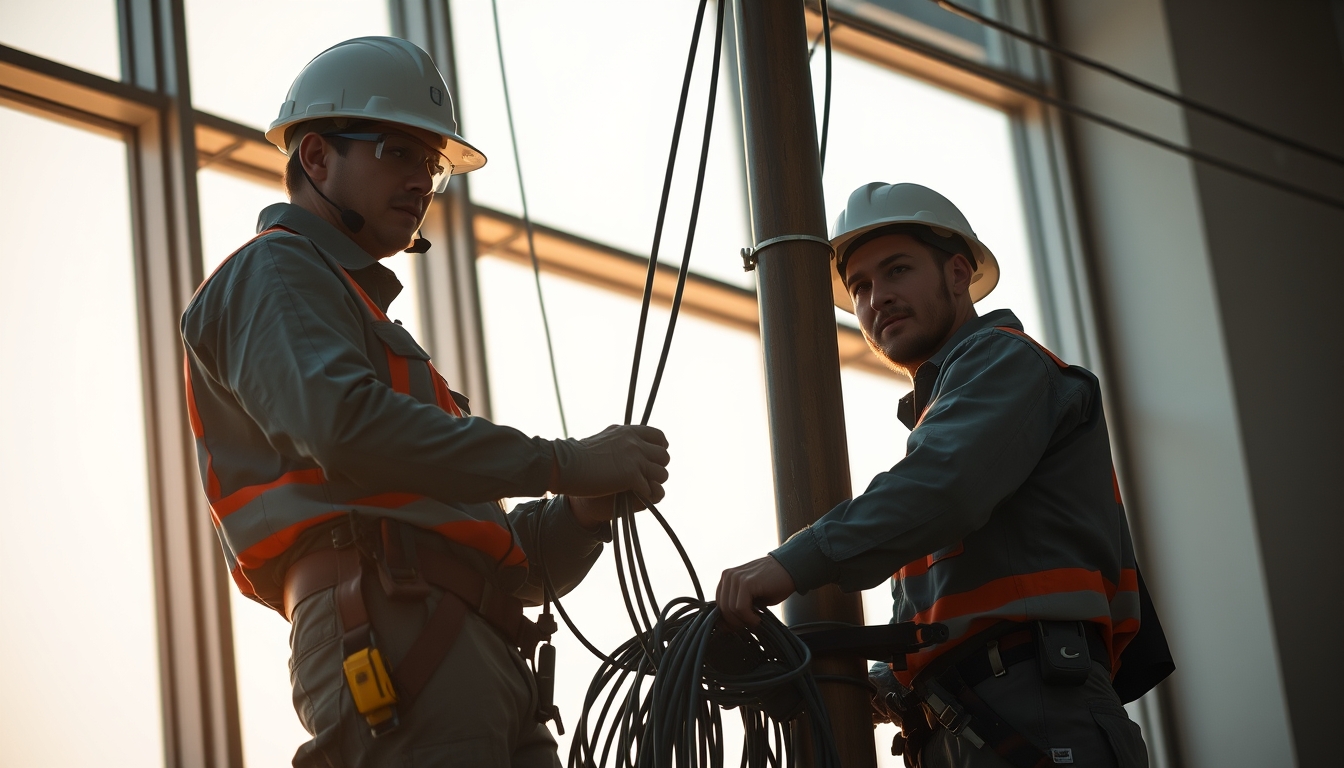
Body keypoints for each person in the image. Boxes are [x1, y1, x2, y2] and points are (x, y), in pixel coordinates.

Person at [181, 37, 670, 767]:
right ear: (316, 157)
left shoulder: (356, 316)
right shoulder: (274, 269)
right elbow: (346, 430)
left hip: (463, 647)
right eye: (398, 152)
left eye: (432, 164)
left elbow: (502, 560)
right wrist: (565, 463)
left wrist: (580, 512)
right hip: (398, 628)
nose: (422, 181)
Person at [716, 182, 1154, 767]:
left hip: (1037, 703)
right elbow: (941, 624)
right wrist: (844, 683)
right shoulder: (942, 425)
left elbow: (944, 489)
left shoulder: (1004, 362)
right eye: (860, 286)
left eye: (897, 270)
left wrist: (789, 563)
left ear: (957, 273)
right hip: (968, 717)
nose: (878, 298)